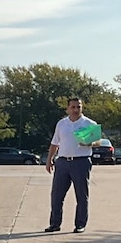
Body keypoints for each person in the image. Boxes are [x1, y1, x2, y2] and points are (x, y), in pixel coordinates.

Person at [44, 97, 99, 233]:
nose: (75, 110)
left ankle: (80, 224)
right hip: (62, 162)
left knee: (81, 195)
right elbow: (54, 143)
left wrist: (89, 143)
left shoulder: (89, 123)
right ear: (68, 108)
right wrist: (49, 159)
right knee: (57, 195)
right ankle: (55, 223)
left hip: (81, 162)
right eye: (73, 107)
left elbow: (98, 141)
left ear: (82, 108)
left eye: (78, 107)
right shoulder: (62, 124)